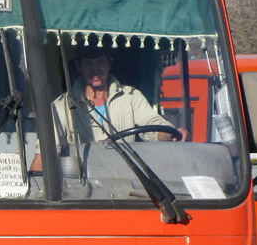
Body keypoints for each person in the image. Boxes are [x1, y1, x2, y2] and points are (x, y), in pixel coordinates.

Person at [44, 45, 188, 163]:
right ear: (78, 66)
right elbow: (47, 151)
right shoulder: (62, 105)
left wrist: (170, 133)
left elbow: (153, 124)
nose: (95, 70)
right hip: (84, 182)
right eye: (88, 63)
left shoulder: (131, 96)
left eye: (100, 62)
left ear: (109, 63)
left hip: (126, 179)